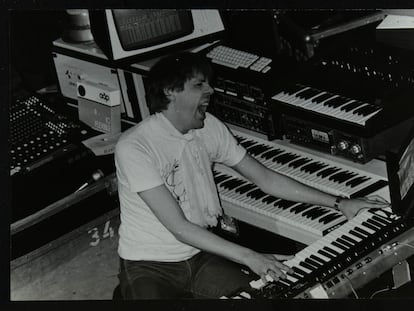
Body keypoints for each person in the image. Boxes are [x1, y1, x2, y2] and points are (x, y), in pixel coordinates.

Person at [114, 52, 389, 299]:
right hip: (148, 264)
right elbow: (179, 227)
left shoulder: (209, 128)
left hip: (199, 257)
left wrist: (341, 203)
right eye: (199, 85)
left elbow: (266, 179)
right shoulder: (135, 147)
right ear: (170, 92)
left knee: (267, 297)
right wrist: (251, 257)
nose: (211, 89)